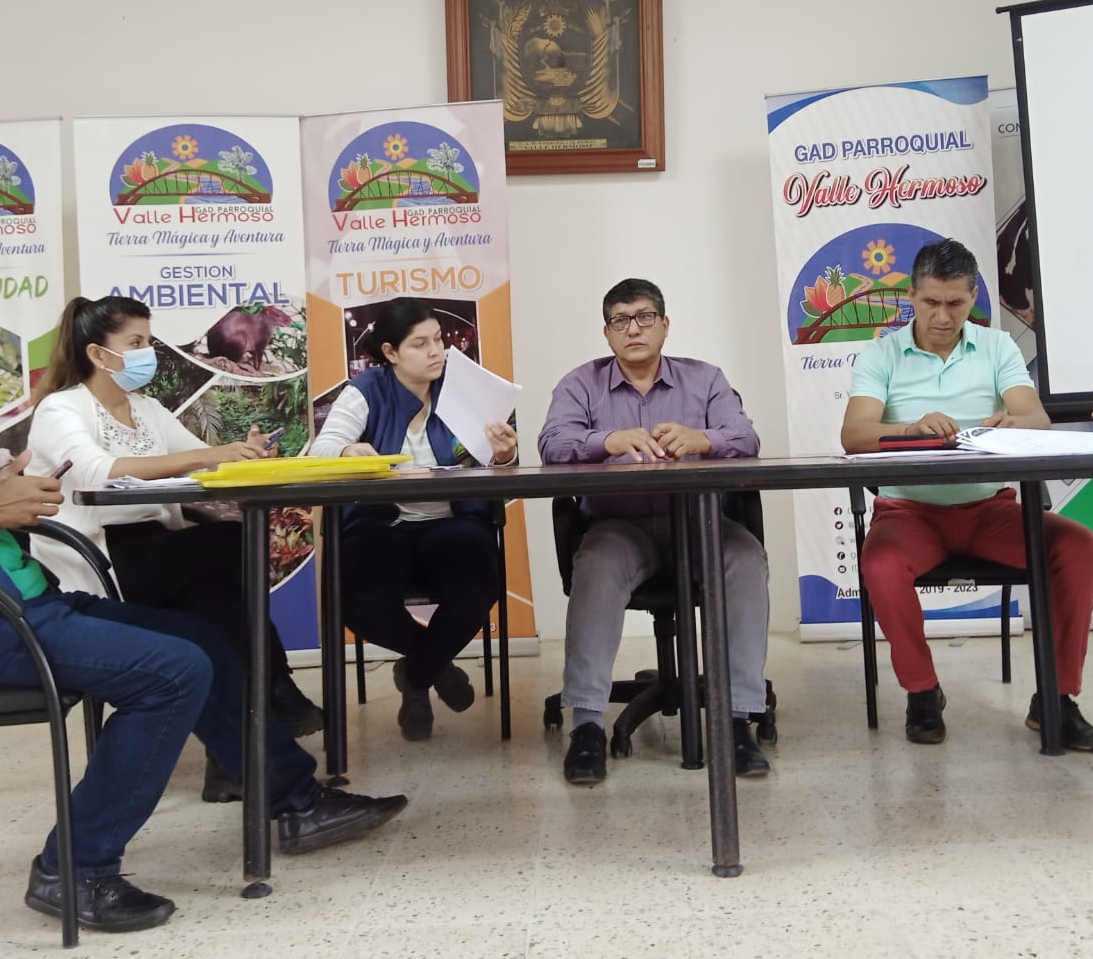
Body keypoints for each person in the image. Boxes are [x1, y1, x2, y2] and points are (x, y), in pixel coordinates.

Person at [0, 240, 406, 933]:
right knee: (173, 670)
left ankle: (295, 801)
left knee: (201, 637)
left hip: (6, 602)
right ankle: (76, 868)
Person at [26, 295, 325, 801]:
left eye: (149, 340)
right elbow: (95, 472)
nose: (148, 352)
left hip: (158, 554)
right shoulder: (62, 408)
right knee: (223, 547)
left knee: (214, 602)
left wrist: (247, 453)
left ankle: (233, 762)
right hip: (100, 558)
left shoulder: (146, 408)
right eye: (135, 342)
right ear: (98, 354)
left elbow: (204, 460)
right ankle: (276, 688)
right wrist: (208, 456)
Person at [840, 239, 1093, 751]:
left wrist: (1014, 422)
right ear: (911, 296)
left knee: (1078, 547)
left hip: (990, 511)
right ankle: (922, 691)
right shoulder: (882, 353)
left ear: (972, 298)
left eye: (956, 303)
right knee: (881, 566)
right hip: (908, 513)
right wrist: (910, 428)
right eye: (930, 302)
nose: (942, 317)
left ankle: (1056, 698)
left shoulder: (997, 346)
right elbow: (854, 435)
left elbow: (1036, 419)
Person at [537, 278, 771, 785]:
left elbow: (746, 437)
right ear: (606, 332)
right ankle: (587, 727)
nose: (633, 329)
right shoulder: (581, 384)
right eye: (620, 321)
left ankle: (736, 721)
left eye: (644, 317)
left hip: (700, 524)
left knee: (745, 557)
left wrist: (703, 439)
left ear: (665, 325)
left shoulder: (705, 379)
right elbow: (552, 444)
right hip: (620, 527)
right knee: (596, 563)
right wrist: (605, 441)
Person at [309, 297, 515, 741]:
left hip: (452, 521)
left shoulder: (464, 387)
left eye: (438, 339)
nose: (436, 351)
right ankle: (436, 666)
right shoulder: (366, 390)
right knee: (361, 603)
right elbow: (319, 450)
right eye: (420, 344)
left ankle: (416, 675)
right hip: (381, 525)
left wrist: (504, 455)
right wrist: (346, 450)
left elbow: (497, 466)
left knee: (477, 586)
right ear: (390, 352)